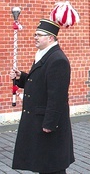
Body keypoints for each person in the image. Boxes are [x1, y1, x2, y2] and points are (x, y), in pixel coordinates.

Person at [10, 19, 75, 174]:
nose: (35, 37)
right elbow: (41, 83)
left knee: (52, 167)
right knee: (44, 165)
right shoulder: (44, 55)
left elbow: (57, 97)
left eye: (39, 35)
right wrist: (22, 77)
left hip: (48, 123)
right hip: (39, 119)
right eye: (35, 34)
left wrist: (50, 124)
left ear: (51, 38)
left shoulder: (57, 60)